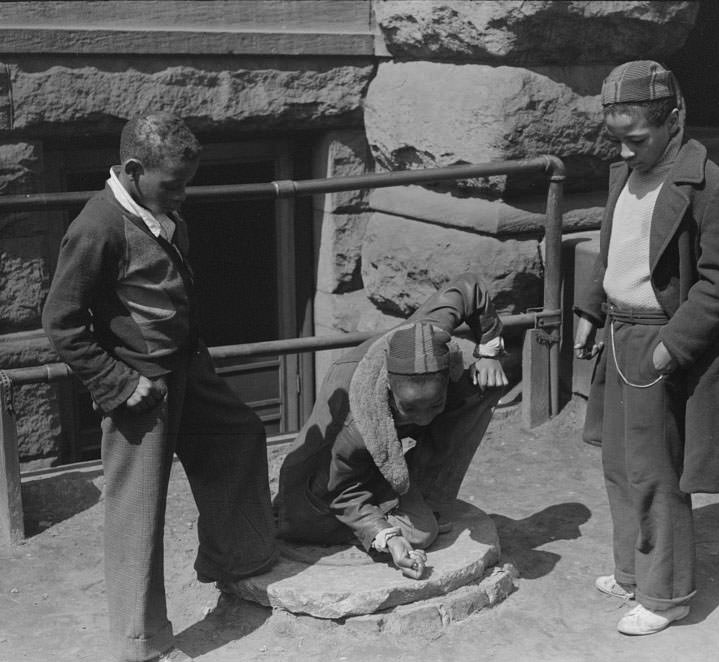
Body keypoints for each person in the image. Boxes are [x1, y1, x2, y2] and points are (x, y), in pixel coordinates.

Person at [42, 113, 278, 662]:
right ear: (131, 170)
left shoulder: (161, 209)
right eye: (173, 184)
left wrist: (194, 361)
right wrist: (116, 382)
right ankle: (141, 643)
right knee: (139, 509)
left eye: (187, 182)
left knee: (240, 436)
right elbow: (62, 321)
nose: (183, 194)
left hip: (188, 370)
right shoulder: (97, 226)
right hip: (138, 387)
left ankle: (236, 562)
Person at [574, 60, 719, 636]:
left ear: (673, 120)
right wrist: (588, 309)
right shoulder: (627, 174)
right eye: (618, 141)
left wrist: (671, 348)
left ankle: (667, 594)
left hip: (658, 340)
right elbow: (614, 250)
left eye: (637, 139)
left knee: (656, 472)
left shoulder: (711, 187)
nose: (627, 152)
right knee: (618, 465)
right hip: (617, 332)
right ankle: (631, 571)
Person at [274, 274, 508, 579]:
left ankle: (421, 488)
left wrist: (489, 350)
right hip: (322, 485)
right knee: (420, 534)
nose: (424, 419)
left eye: (434, 405)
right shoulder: (357, 425)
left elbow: (469, 289)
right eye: (410, 408)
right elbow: (339, 491)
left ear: (447, 369)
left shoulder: (430, 335)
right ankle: (387, 505)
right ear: (388, 386)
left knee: (485, 384)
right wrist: (387, 536)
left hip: (375, 449)